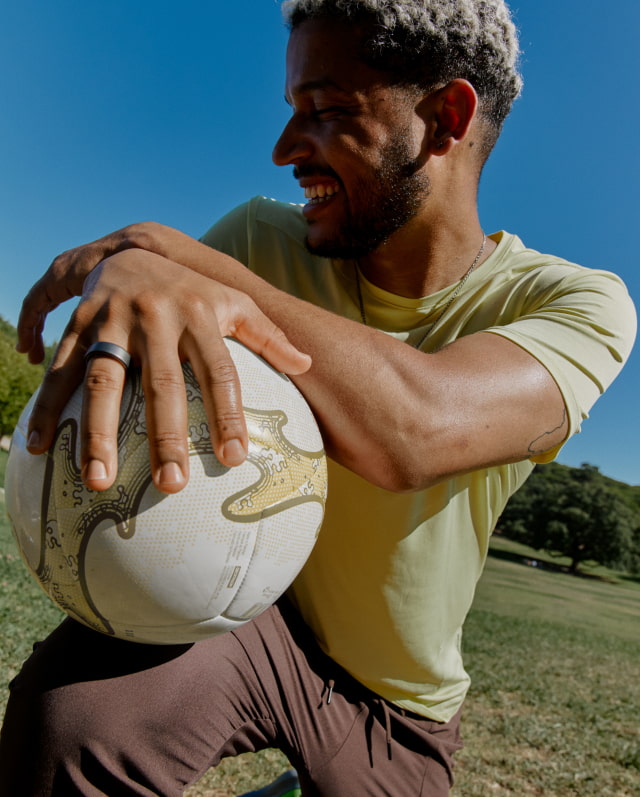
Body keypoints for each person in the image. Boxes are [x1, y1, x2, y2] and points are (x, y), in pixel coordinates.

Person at [0, 1, 636, 795]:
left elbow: (417, 430)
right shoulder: (261, 241)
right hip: (250, 622)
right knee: (75, 718)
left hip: (398, 708)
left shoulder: (576, 304)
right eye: (290, 110)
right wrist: (149, 285)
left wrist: (177, 260)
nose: (283, 150)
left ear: (446, 116)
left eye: (327, 111)